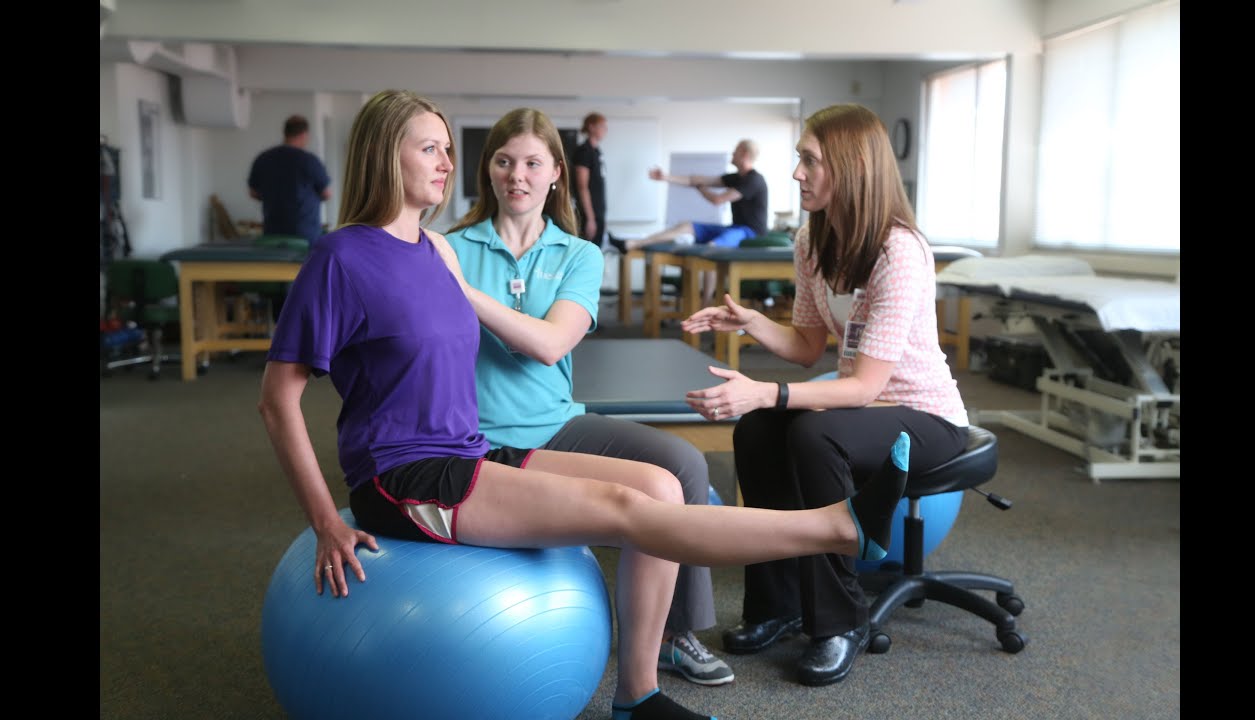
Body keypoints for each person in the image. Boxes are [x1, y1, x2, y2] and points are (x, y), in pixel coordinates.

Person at [258, 90, 914, 720]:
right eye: (430, 148)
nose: (448, 163)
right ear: (384, 154)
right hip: (405, 476)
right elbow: (276, 399)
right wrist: (325, 520)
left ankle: (638, 693)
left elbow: (536, 344)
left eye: (449, 149)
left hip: (471, 452)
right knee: (627, 512)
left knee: (660, 485)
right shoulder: (342, 257)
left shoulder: (435, 251)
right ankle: (838, 527)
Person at [679, 103, 970, 688]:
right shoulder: (813, 239)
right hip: (865, 409)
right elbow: (809, 345)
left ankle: (841, 621)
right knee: (758, 430)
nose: (797, 173)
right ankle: (778, 604)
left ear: (851, 166)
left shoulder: (899, 251)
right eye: (799, 160)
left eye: (809, 161)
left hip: (927, 417)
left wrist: (765, 392)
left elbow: (865, 385)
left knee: (812, 432)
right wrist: (753, 323)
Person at [444, 108, 734, 687]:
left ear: (556, 172)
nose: (517, 175)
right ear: (488, 170)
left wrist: (463, 292)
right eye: (504, 161)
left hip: (555, 424)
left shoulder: (577, 253)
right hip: (479, 436)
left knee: (683, 463)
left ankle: (675, 634)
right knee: (654, 485)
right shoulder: (453, 247)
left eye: (532, 163)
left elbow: (551, 344)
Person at [613, 139, 768, 304]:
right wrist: (665, 177)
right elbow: (694, 179)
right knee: (686, 226)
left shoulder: (754, 180)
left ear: (744, 154)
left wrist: (700, 187)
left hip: (750, 233)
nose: (733, 153)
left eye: (736, 150)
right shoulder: (735, 178)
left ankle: (705, 305)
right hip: (734, 228)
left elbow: (718, 199)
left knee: (712, 248)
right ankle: (633, 243)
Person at [248, 114, 333, 245]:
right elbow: (327, 194)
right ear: (304, 135)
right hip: (305, 235)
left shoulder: (263, 159)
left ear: (285, 133)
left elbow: (253, 193)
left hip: (272, 234)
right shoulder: (309, 161)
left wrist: (273, 197)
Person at [571, 112, 608, 248]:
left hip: (598, 213)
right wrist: (591, 219)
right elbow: (582, 187)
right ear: (591, 127)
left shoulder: (597, 152)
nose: (605, 130)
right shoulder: (584, 152)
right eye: (602, 126)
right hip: (588, 216)